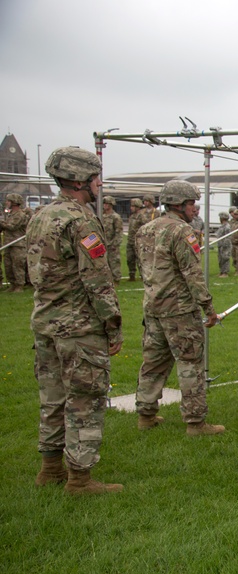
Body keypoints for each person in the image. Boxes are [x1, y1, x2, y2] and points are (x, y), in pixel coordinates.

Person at [27, 146, 123, 494]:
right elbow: (97, 280)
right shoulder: (81, 219)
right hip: (78, 327)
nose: (100, 183)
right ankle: (80, 479)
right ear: (82, 179)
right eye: (96, 176)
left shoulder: (42, 215)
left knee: (52, 398)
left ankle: (49, 468)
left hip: (45, 323)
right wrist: (112, 324)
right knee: (85, 399)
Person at [134, 181, 225, 436]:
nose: (195, 209)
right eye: (191, 204)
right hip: (179, 311)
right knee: (190, 363)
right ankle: (195, 423)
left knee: (152, 363)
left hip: (152, 308)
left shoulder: (145, 230)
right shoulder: (181, 232)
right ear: (178, 204)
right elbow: (192, 274)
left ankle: (146, 414)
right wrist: (208, 307)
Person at [2, 193, 30, 291]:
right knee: (8, 265)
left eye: (8, 201)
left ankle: (19, 285)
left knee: (17, 265)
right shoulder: (10, 214)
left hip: (18, 245)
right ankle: (12, 284)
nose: (6, 203)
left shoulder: (20, 215)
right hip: (8, 243)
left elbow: (12, 226)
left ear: (14, 203)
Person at [100, 196, 124, 283]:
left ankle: (116, 279)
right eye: (104, 204)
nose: (105, 206)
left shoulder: (115, 217)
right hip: (102, 243)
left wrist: (115, 243)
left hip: (112, 244)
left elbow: (119, 231)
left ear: (111, 204)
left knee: (114, 262)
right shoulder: (101, 215)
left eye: (107, 204)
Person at [125, 198, 144, 281]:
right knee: (130, 259)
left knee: (140, 260)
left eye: (133, 206)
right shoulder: (132, 216)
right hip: (130, 241)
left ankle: (143, 276)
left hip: (138, 242)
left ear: (137, 207)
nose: (131, 208)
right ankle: (131, 275)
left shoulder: (142, 217)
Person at [216, 212, 232, 277]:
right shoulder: (222, 226)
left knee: (225, 258)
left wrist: (224, 245)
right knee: (220, 258)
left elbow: (228, 237)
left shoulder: (227, 226)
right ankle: (221, 271)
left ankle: (225, 273)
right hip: (220, 245)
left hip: (225, 245)